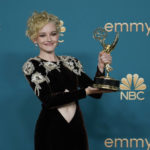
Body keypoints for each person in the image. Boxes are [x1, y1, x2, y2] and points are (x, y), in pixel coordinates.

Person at [22, 11, 112, 150]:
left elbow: (96, 93)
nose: (49, 39)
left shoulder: (71, 62)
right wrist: (84, 92)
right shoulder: (33, 65)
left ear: (58, 35)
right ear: (35, 39)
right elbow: (49, 100)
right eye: (42, 35)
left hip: (76, 128)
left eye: (53, 34)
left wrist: (100, 68)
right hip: (50, 129)